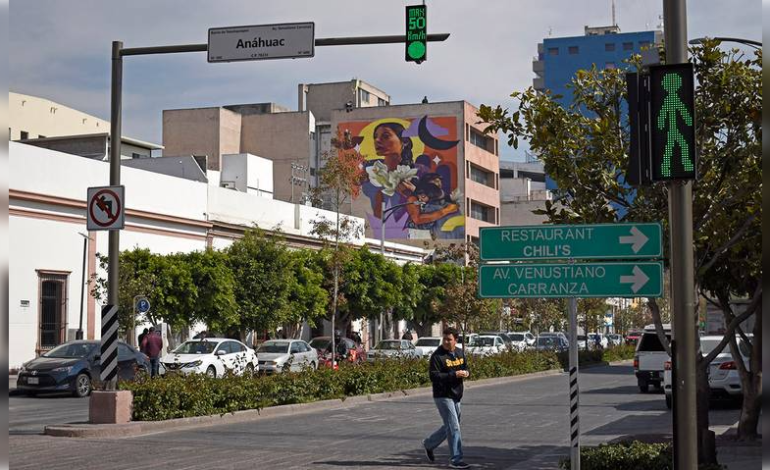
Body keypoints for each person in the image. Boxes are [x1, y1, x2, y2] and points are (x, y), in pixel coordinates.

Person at [422, 327, 470, 469]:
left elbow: (466, 368)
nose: (446, 342)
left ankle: (429, 444)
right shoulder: (438, 356)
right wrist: (453, 375)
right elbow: (434, 376)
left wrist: (466, 373)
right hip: (442, 395)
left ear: (456, 340)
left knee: (450, 426)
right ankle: (456, 459)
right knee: (454, 427)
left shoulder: (460, 353)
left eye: (449, 339)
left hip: (456, 394)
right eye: (445, 339)